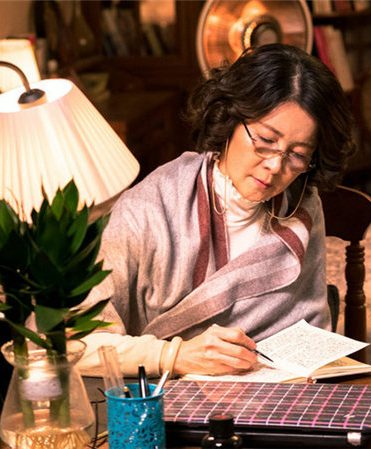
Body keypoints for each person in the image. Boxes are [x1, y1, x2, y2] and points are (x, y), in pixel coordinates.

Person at [78, 43, 355, 377]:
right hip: (162, 395)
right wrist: (173, 356)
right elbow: (73, 343)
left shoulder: (301, 205)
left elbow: (311, 333)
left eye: (297, 154)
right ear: (229, 118)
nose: (275, 166)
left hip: (273, 392)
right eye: (265, 140)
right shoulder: (147, 210)